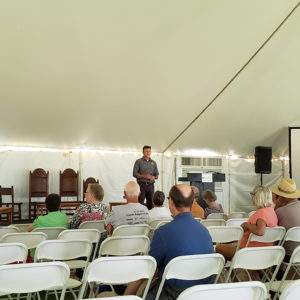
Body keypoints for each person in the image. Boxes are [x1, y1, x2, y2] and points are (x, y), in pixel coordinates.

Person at [125, 184, 214, 299]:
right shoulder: (205, 231)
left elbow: (148, 270)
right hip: (203, 293)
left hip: (172, 294)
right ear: (192, 203)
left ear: (171, 201)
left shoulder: (163, 233)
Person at [216, 185, 278, 261]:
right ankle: (252, 271)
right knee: (227, 249)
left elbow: (260, 231)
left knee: (218, 247)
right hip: (265, 250)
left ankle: (240, 269)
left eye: (252, 196)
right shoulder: (271, 211)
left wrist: (247, 225)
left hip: (248, 251)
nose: (251, 198)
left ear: (257, 197)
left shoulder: (261, 213)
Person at [27, 193, 68, 257]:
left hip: (40, 254)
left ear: (46, 206)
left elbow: (28, 229)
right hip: (58, 253)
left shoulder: (40, 220)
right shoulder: (64, 218)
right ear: (60, 206)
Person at [272, 178, 300, 260]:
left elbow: (272, 229)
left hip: (288, 255)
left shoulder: (280, 211)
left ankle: (277, 269)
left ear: (283, 196)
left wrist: (276, 205)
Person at [133, 145, 159, 210]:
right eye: (146, 151)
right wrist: (145, 176)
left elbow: (157, 174)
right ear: (143, 152)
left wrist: (154, 177)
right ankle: (138, 218)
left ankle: (149, 218)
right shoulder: (138, 161)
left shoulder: (153, 162)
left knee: (151, 203)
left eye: (149, 151)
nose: (148, 153)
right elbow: (134, 173)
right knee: (140, 202)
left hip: (151, 186)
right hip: (141, 185)